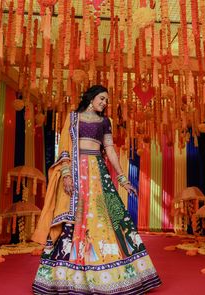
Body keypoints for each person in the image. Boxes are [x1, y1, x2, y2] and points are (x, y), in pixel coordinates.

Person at [32, 85, 161, 294]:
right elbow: (64, 147)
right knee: (74, 220)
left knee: (106, 216)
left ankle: (111, 275)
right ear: (91, 98)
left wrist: (121, 178)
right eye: (102, 98)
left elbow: (109, 149)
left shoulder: (104, 122)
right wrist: (66, 174)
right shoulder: (73, 117)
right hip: (76, 174)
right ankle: (67, 276)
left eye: (106, 101)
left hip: (98, 174)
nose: (104, 103)